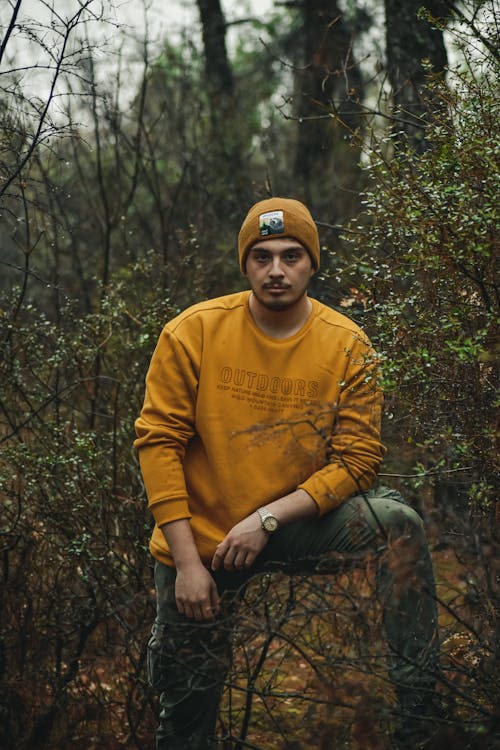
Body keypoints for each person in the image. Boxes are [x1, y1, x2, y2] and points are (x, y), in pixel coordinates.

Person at [134, 197, 440, 749]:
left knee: (398, 522)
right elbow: (158, 444)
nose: (276, 270)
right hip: (204, 539)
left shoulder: (347, 345)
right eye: (262, 256)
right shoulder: (192, 332)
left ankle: (422, 717)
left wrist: (267, 518)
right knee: (184, 719)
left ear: (312, 263)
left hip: (292, 521)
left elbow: (357, 460)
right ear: (245, 265)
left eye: (291, 255)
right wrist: (185, 564)